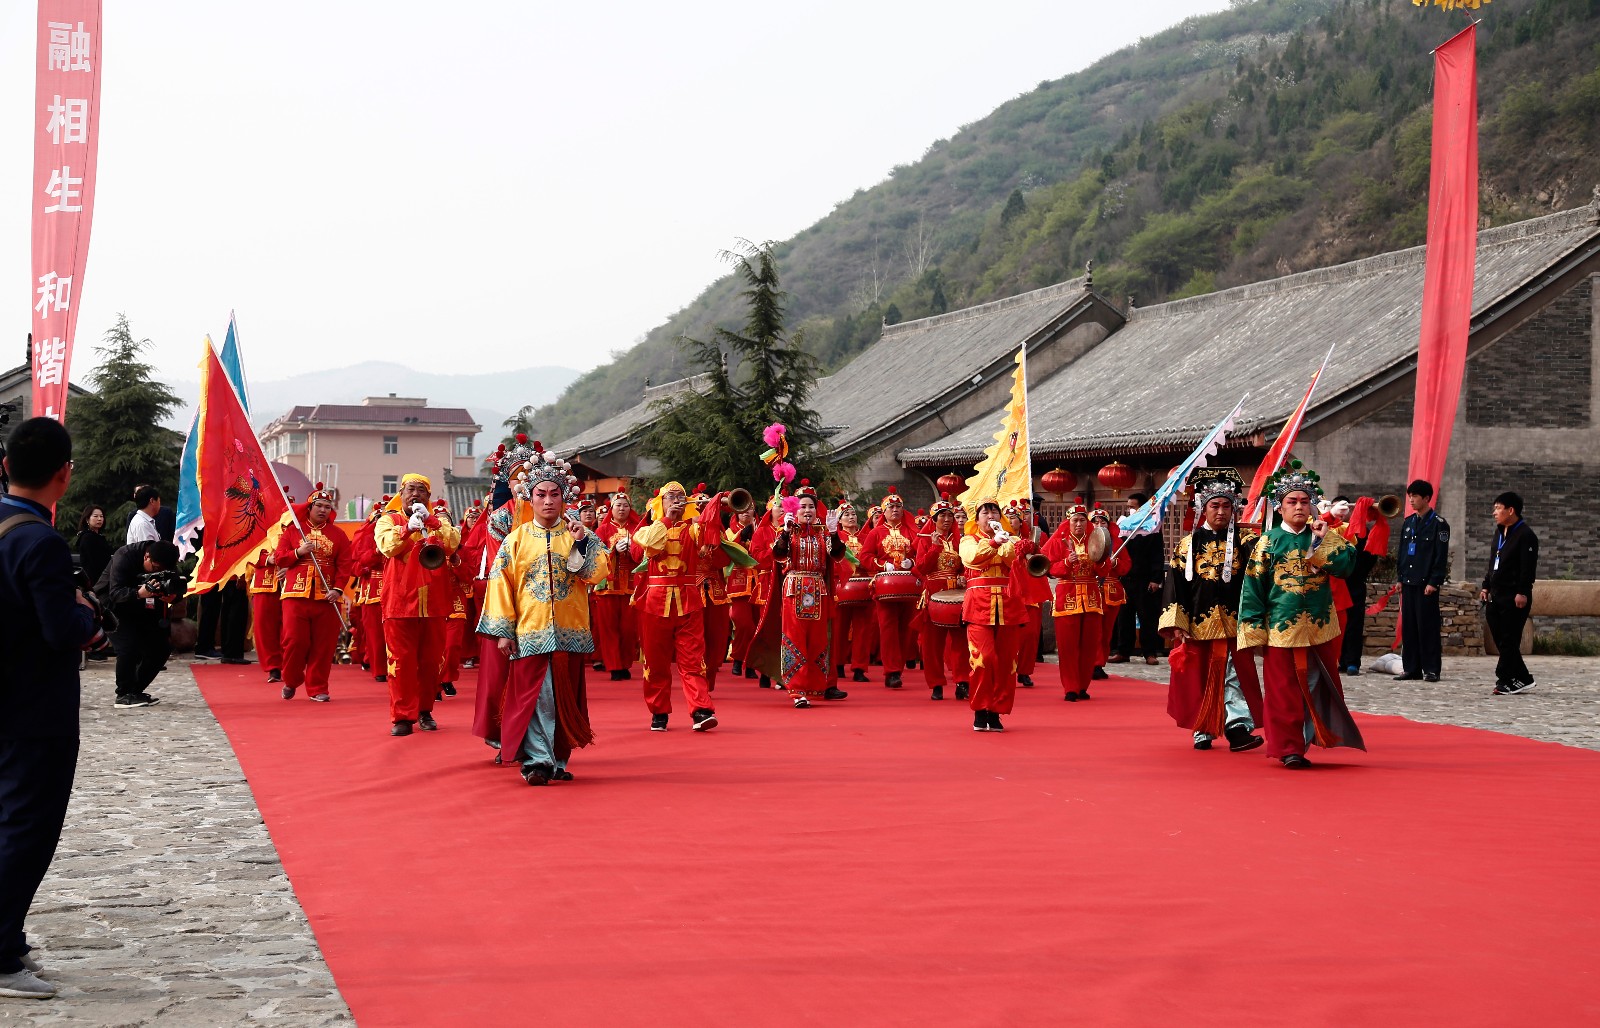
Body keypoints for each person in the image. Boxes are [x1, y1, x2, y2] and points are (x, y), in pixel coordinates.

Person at [0, 418, 100, 1000]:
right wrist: (89, 618)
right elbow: (62, 630)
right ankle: (2, 951)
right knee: (26, 829)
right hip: (33, 708)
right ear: (64, 475)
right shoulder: (39, 541)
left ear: (7, 466)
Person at [477, 452, 607, 785]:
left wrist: (582, 541)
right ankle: (537, 760)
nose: (548, 501)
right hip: (528, 630)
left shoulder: (579, 536)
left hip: (569, 630)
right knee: (533, 695)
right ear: (530, 499)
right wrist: (504, 631)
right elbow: (500, 586)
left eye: (554, 494)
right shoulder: (514, 541)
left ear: (564, 498)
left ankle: (557, 758)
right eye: (541, 494)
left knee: (564, 695)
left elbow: (594, 574)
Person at [1237, 460, 1366, 769]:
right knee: (1282, 691)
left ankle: (1308, 738)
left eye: (1304, 501)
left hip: (1319, 624)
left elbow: (1348, 567)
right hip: (1281, 625)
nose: (1299, 506)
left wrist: (1325, 537)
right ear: (1279, 507)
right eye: (1292, 501)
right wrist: (1254, 629)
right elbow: (1253, 588)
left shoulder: (1319, 535)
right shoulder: (1267, 542)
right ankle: (1288, 748)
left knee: (1317, 685)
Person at [1159, 468, 1264, 753]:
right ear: (1202, 508)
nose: (1220, 512)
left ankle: (1238, 727)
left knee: (1234, 674)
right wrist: (1176, 622)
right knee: (1199, 676)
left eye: (1226, 506)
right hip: (1197, 622)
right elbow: (1175, 586)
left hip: (1235, 621)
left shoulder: (1245, 543)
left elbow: (1262, 569)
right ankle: (1202, 728)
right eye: (1214, 506)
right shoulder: (1187, 545)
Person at [631, 481, 725, 731]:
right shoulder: (649, 529)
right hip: (654, 603)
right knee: (655, 661)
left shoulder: (693, 529)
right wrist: (664, 519)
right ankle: (659, 710)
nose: (676, 501)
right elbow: (641, 550)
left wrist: (711, 507)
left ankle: (701, 709)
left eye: (680, 497)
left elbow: (713, 541)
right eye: (670, 497)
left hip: (689, 601)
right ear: (659, 503)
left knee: (693, 659)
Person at [374, 473, 461, 736]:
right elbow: (387, 547)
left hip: (434, 602)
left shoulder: (439, 520)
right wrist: (408, 528)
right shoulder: (388, 519)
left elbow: (453, 543)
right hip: (399, 602)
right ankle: (402, 716)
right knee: (400, 662)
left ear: (428, 496)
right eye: (410, 489)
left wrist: (432, 521)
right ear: (401, 492)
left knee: (431, 661)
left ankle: (425, 711)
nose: (415, 494)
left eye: (421, 490)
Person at [771, 485, 849, 708]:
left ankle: (815, 686)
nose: (807, 511)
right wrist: (785, 532)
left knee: (817, 640)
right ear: (794, 511)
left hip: (818, 589)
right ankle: (797, 690)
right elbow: (778, 554)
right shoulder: (787, 531)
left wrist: (834, 534)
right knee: (794, 639)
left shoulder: (824, 532)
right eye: (803, 507)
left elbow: (836, 555)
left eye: (811, 507)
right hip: (794, 589)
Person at [274, 484, 354, 702]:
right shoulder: (293, 531)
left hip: (327, 596)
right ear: (309, 508)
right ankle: (291, 679)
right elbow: (280, 557)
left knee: (323, 645)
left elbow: (345, 564)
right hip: (296, 594)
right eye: (318, 505)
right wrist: (298, 552)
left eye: (327, 507)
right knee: (293, 641)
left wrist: (338, 589)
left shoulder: (338, 535)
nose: (323, 510)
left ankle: (318, 687)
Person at [960, 499, 1021, 731]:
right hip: (978, 604)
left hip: (1009, 604)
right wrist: (994, 541)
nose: (991, 515)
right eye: (985, 512)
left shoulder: (1012, 540)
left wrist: (1005, 540)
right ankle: (980, 708)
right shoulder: (968, 540)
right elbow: (972, 558)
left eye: (994, 511)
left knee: (1007, 662)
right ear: (977, 520)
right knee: (982, 658)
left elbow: (1014, 561)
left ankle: (996, 711)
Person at [103, 538, 184, 708]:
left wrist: (173, 597)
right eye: (155, 569)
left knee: (161, 648)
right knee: (128, 646)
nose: (159, 573)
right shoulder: (125, 555)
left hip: (144, 606)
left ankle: (135, 691)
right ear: (146, 557)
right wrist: (138, 593)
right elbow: (115, 593)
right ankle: (123, 694)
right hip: (114, 606)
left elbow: (178, 587)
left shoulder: (164, 559)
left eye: (164, 570)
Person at [1044, 501, 1112, 701]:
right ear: (1068, 522)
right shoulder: (1059, 542)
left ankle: (1083, 685)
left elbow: (1105, 570)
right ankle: (1070, 687)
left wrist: (1099, 561)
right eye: (1075, 520)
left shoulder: (1096, 540)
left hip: (1091, 597)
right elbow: (1049, 569)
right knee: (1067, 647)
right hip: (1068, 598)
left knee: (1089, 645)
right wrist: (1066, 562)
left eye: (1082, 520)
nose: (1079, 524)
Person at [859, 487, 920, 689]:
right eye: (891, 506)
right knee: (887, 628)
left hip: (908, 585)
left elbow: (921, 554)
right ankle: (891, 671)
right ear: (883, 512)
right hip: (885, 586)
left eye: (898, 506)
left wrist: (911, 562)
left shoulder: (911, 532)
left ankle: (898, 667)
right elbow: (865, 557)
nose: (895, 510)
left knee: (905, 628)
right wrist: (881, 565)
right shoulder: (876, 532)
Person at [1481, 492, 1539, 695]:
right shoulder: (1499, 533)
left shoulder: (1526, 535)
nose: (1494, 512)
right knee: (1502, 639)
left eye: (1498, 508)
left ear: (1510, 510)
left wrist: (1522, 592)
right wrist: (1485, 586)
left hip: (1515, 597)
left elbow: (1527, 568)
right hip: (1496, 595)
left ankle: (1505, 679)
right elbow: (1492, 563)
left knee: (1509, 639)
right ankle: (1523, 678)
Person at [913, 496, 970, 702]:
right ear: (934, 519)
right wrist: (934, 547)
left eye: (949, 516)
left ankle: (962, 681)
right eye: (942, 516)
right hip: (933, 594)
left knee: (960, 641)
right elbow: (921, 568)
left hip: (955, 592)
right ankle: (936, 683)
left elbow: (966, 565)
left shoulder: (960, 540)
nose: (947, 519)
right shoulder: (924, 539)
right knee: (932, 643)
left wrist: (964, 575)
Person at [1396, 479, 1449, 683]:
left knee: (1427, 627)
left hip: (1426, 584)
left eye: (1415, 496)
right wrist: (1400, 577)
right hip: (1409, 581)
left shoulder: (1439, 525)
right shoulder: (1409, 523)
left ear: (1427, 498)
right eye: (1410, 496)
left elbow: (1440, 556)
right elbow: (1403, 552)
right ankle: (1411, 668)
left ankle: (1431, 669)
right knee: (1409, 626)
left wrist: (1434, 581)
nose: (1411, 499)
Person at [592, 490, 643, 680]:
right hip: (608, 587)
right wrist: (613, 550)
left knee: (629, 629)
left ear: (630, 509)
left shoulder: (637, 529)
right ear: (611, 509)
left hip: (631, 586)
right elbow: (595, 555)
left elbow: (644, 555)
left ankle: (625, 662)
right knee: (609, 628)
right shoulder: (602, 530)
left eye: (625, 505)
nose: (622, 509)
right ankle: (614, 666)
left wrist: (634, 550)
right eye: (618, 505)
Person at [1111, 493, 1163, 666]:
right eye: (1128, 506)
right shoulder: (1125, 526)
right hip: (1125, 578)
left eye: (1133, 506)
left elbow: (1157, 554)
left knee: (1147, 617)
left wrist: (1156, 578)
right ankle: (1123, 651)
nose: (1130, 510)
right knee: (1124, 617)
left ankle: (1149, 652)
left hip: (1145, 579)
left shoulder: (1152, 527)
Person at [1005, 499, 1050, 689]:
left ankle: (1024, 671)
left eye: (1014, 517)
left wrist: (1033, 547)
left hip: (1032, 589)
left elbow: (1047, 558)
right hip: (1009, 592)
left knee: (1030, 635)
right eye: (1006, 517)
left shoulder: (1035, 537)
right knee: (1009, 636)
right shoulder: (998, 540)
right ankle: (1007, 670)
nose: (1011, 520)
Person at [245, 514, 289, 684]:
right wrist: (267, 559)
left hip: (293, 581)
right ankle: (273, 667)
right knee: (265, 628)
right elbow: (249, 552)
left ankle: (290, 663)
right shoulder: (259, 525)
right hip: (265, 581)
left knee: (291, 627)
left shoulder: (297, 526)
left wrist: (290, 566)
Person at [72, 504, 113, 590]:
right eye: (95, 516)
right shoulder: (87, 538)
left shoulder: (99, 537)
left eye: (101, 516)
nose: (99, 519)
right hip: (95, 582)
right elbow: (94, 563)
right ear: (87, 519)